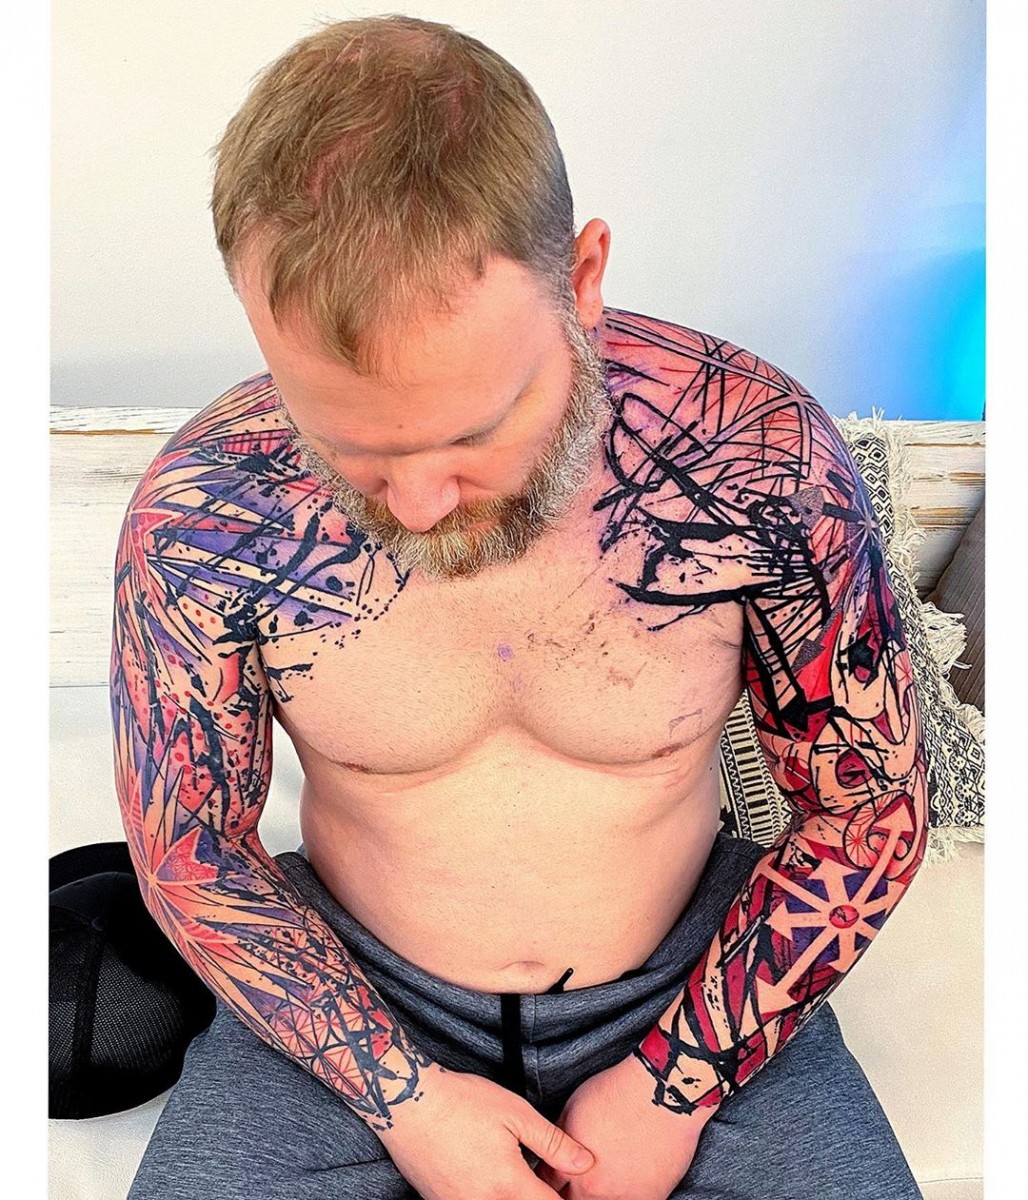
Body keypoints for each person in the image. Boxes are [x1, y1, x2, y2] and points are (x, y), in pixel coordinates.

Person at [110, 14, 928, 1200]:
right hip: (351, 998)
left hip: (699, 984)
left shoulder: (757, 457)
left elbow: (865, 806)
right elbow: (190, 852)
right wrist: (405, 1098)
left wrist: (673, 1086)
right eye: (349, 446)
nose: (418, 504)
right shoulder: (208, 507)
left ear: (581, 280)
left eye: (474, 432)